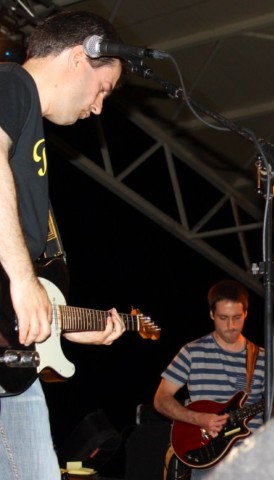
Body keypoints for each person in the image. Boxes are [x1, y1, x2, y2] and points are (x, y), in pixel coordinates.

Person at [0, 10, 130, 480]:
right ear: (79, 58)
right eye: (102, 89)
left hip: (15, 360)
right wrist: (23, 280)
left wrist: (58, 324)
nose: (97, 107)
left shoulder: (29, 126)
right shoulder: (12, 82)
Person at [154, 279, 274, 480]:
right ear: (211, 314)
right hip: (209, 458)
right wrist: (199, 419)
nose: (231, 326)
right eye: (223, 318)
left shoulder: (263, 358)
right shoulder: (192, 352)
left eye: (237, 317)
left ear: (246, 313)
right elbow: (161, 399)